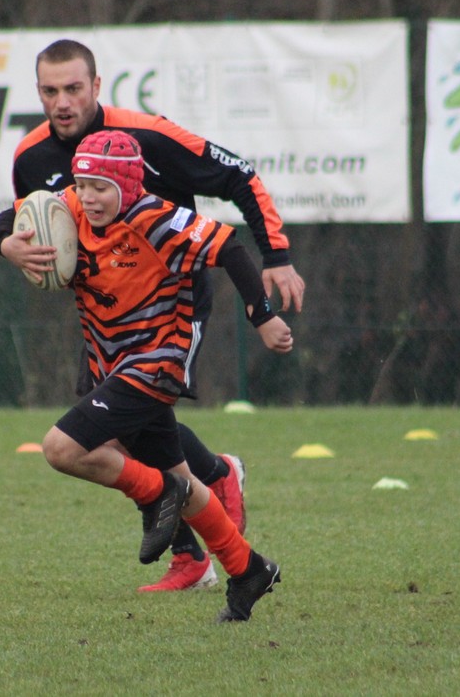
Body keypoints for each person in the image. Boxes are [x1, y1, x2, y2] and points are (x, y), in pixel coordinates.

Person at [0, 38, 306, 592]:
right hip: (105, 314)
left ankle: (200, 524)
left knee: (119, 430)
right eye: (49, 91)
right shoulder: (32, 158)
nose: (61, 102)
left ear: (96, 85)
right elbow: (27, 220)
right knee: (128, 439)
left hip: (170, 309)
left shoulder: (148, 136)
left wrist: (276, 257)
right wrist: (8, 246)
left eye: (73, 88)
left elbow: (238, 176)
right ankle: (223, 540)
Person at [39, 129, 292, 622]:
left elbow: (230, 248)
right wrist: (10, 243)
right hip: (111, 364)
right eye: (82, 185)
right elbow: (14, 215)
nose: (88, 197)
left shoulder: (156, 219)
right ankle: (249, 570)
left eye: (100, 188)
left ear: (128, 186)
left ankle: (157, 494)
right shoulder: (69, 205)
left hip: (155, 363)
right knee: (183, 479)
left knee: (61, 449)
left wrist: (262, 316)